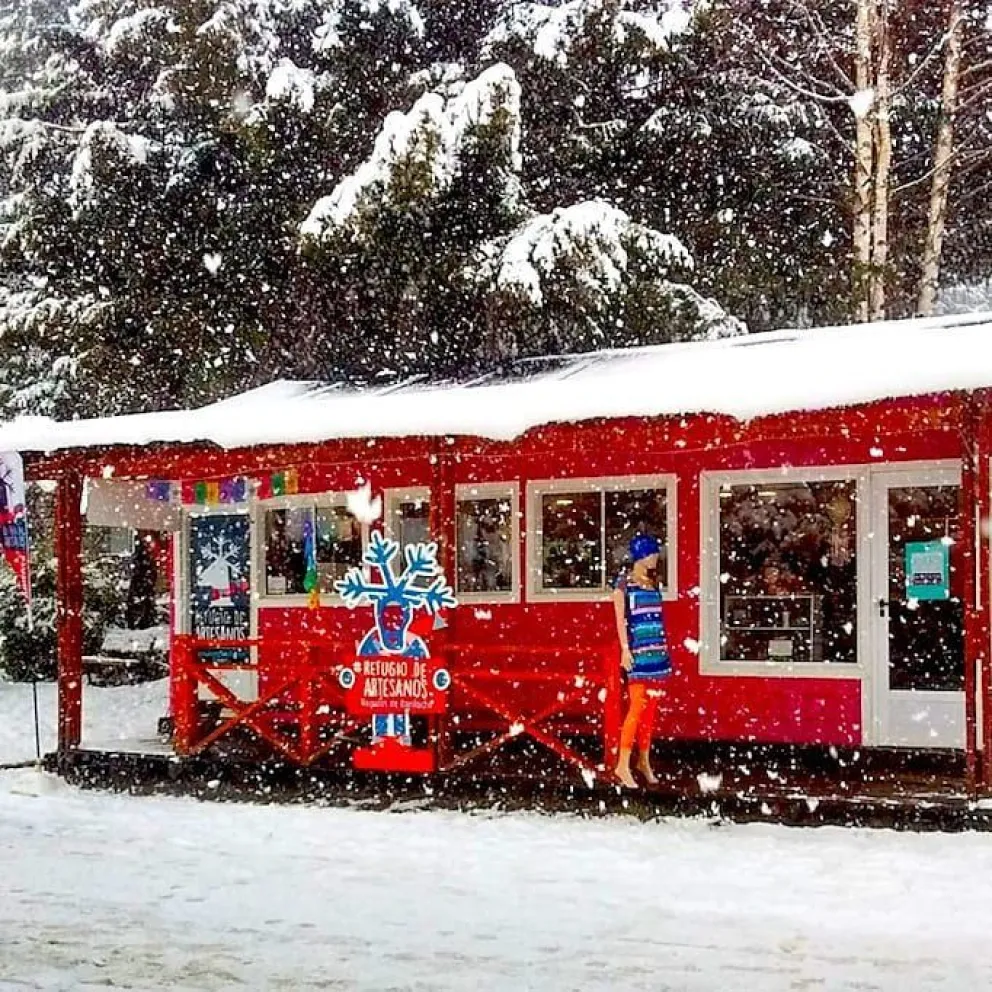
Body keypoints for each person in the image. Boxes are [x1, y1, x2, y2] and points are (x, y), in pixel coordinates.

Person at [612, 533, 671, 788]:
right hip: (638, 652)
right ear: (641, 555)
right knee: (636, 708)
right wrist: (625, 650)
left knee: (651, 711)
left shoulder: (653, 583)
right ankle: (622, 764)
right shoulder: (624, 585)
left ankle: (643, 760)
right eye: (652, 553)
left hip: (657, 652)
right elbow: (620, 621)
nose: (656, 557)